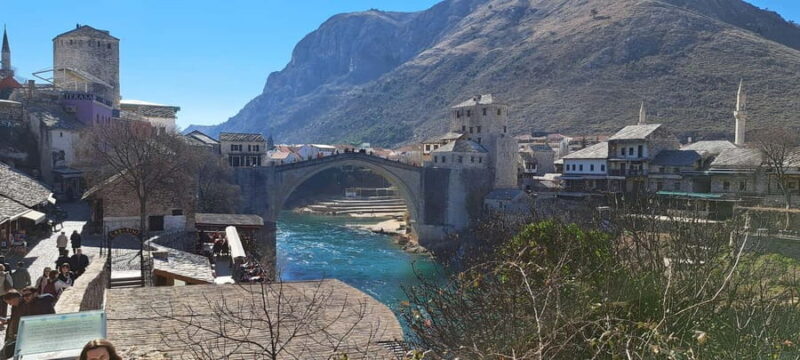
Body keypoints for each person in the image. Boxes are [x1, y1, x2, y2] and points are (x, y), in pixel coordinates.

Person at [1, 290, 23, 357]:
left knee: (5, 354)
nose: (10, 305)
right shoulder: (15, 306)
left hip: (17, 336)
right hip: (12, 335)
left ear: (15, 298)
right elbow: (13, 318)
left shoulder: (25, 307)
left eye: (10, 302)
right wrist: (6, 321)